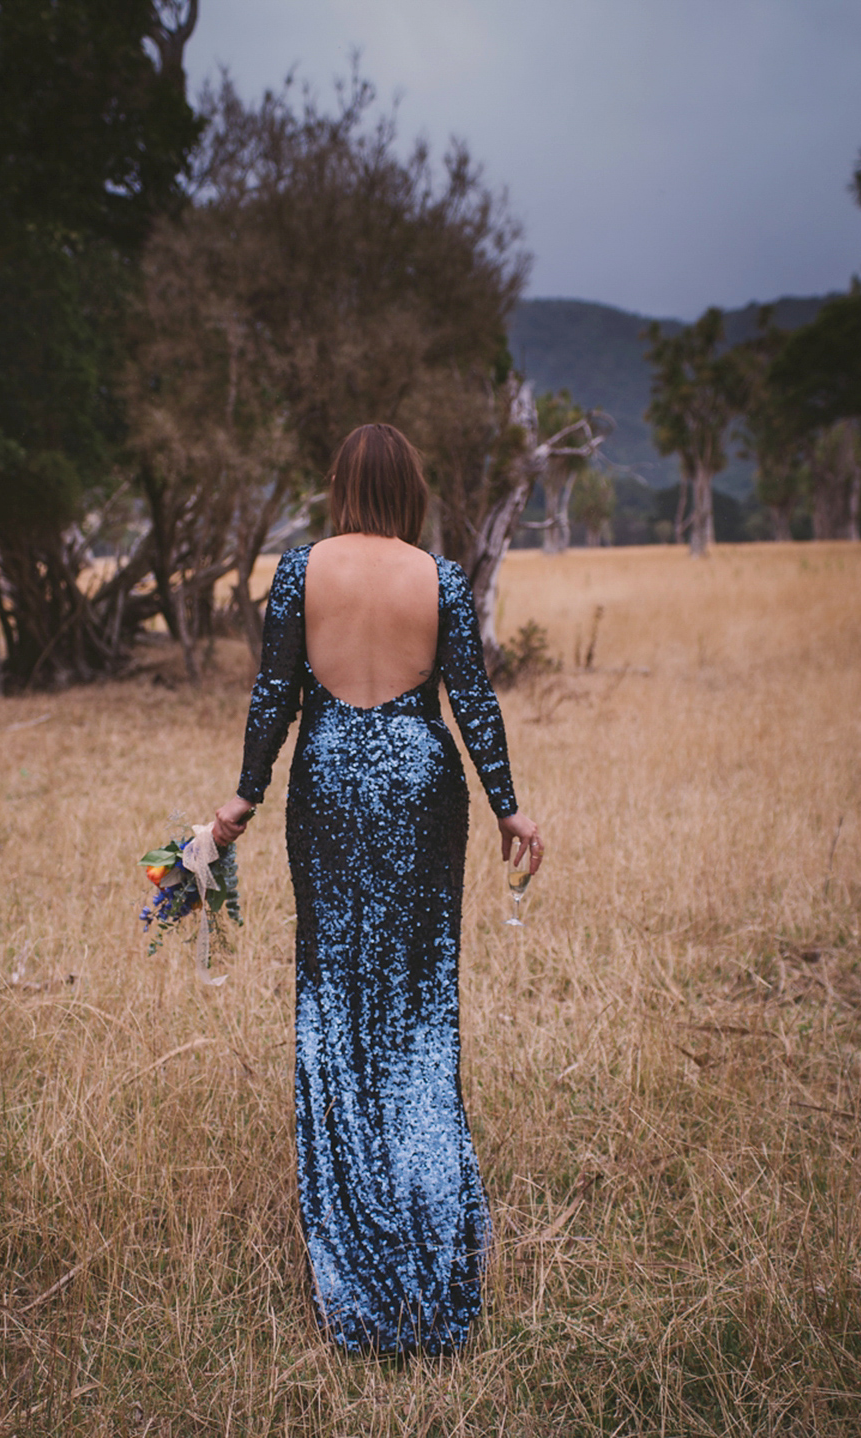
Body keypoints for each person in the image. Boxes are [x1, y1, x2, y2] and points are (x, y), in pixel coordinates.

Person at [213, 423, 542, 1355]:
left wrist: (242, 797)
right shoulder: (436, 577)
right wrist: (510, 810)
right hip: (420, 780)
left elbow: (274, 694)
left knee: (335, 990)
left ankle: (354, 1245)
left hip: (325, 778)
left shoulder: (298, 569)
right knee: (418, 998)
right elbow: (472, 699)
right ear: (411, 488)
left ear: (340, 485)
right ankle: (432, 1223)